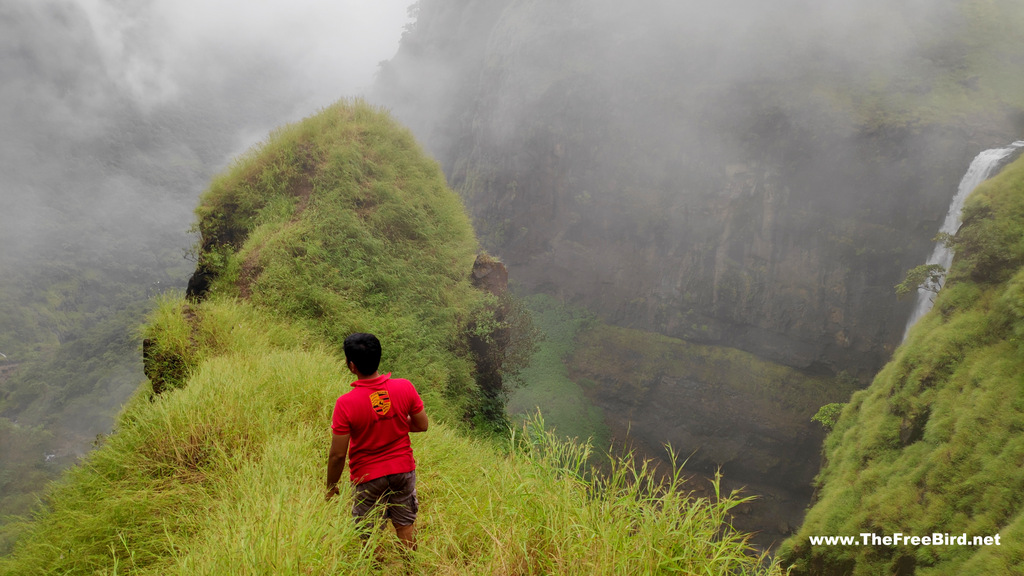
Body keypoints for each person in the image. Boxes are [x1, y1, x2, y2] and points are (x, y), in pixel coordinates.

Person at [326, 333, 429, 550]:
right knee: (404, 525)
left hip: (368, 477)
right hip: (402, 470)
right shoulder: (405, 387)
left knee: (369, 530)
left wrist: (331, 485)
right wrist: (397, 421)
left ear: (352, 365)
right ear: (378, 357)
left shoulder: (345, 404)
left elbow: (337, 455)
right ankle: (411, 569)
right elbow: (422, 425)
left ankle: (375, 568)